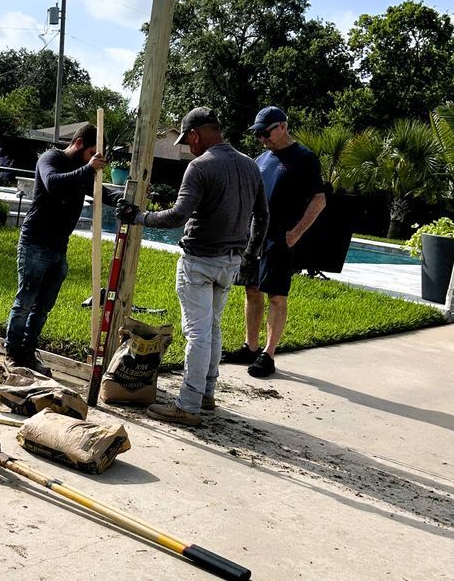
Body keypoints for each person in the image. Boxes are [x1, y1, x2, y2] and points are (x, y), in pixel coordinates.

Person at [116, 108, 268, 427]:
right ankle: (207, 394)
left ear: (196, 134)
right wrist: (249, 254)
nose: (188, 147)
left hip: (199, 261)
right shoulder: (250, 165)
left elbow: (177, 216)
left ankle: (188, 405)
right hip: (230, 262)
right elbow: (263, 217)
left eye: (187, 141)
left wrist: (138, 217)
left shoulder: (200, 167)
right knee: (212, 327)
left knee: (197, 333)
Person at [4, 123, 120, 376]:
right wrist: (88, 168)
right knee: (25, 301)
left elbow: (98, 192)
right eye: (91, 153)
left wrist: (125, 202)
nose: (93, 161)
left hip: (58, 247)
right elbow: (54, 184)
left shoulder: (82, 170)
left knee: (44, 306)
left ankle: (28, 352)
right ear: (78, 144)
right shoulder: (51, 158)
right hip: (35, 242)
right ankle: (13, 355)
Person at [222, 106, 326, 378]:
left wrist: (296, 233)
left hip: (281, 238)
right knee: (251, 290)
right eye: (258, 135)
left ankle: (268, 354)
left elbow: (319, 200)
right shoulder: (263, 158)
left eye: (266, 133)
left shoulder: (305, 158)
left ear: (282, 126)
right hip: (254, 236)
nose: (262, 139)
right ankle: (251, 347)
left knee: (276, 295)